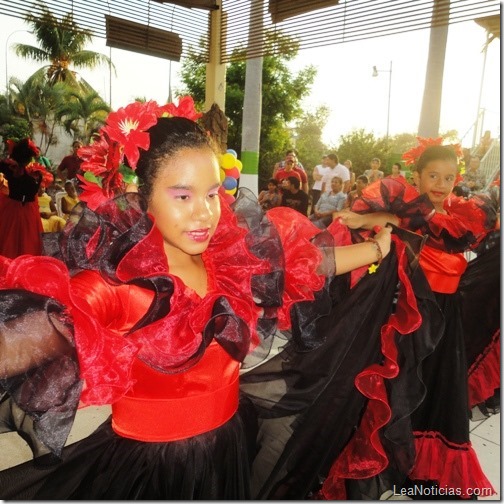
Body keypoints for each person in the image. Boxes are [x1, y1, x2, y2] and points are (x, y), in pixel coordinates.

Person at [0, 98, 392, 500]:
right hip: (154, 470)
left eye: (211, 194)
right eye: (182, 197)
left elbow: (308, 264)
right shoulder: (118, 285)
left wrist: (379, 249)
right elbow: (26, 335)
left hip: (227, 449)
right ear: (143, 197)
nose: (204, 214)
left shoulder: (230, 261)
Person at [325, 143, 498, 499]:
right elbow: (401, 223)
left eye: (448, 177)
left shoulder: (462, 216)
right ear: (416, 177)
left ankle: (426, 478)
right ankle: (393, 468)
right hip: (409, 317)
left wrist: (379, 218)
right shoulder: (407, 214)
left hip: (445, 322)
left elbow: (441, 231)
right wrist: (363, 220)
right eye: (432, 175)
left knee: (436, 396)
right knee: (399, 394)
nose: (440, 183)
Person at [0, 138, 51, 258]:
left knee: (6, 243)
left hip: (8, 209)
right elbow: (34, 193)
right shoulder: (36, 175)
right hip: (29, 213)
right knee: (28, 246)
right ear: (30, 158)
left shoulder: (4, 167)